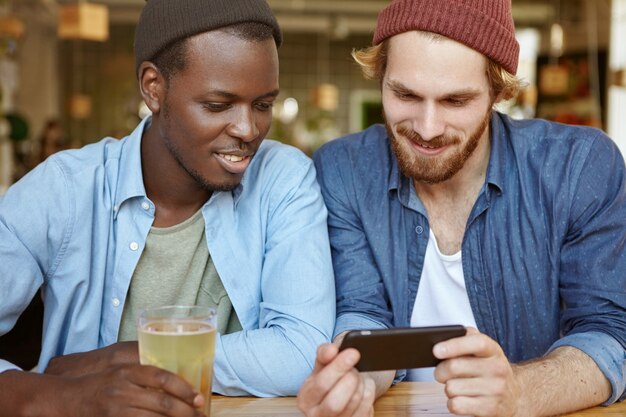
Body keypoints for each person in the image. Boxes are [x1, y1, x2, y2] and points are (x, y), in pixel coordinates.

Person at [0, 0, 335, 415]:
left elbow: (302, 349)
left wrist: (129, 356)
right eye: (217, 105)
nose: (248, 130)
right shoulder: (64, 190)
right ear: (154, 88)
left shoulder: (283, 180)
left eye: (263, 105)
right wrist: (60, 397)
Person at [297, 0, 626, 416]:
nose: (427, 128)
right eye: (405, 94)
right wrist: (354, 379)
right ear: (380, 76)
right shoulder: (343, 170)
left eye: (455, 101)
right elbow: (363, 311)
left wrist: (520, 392)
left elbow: (610, 334)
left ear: (497, 91)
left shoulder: (578, 167)